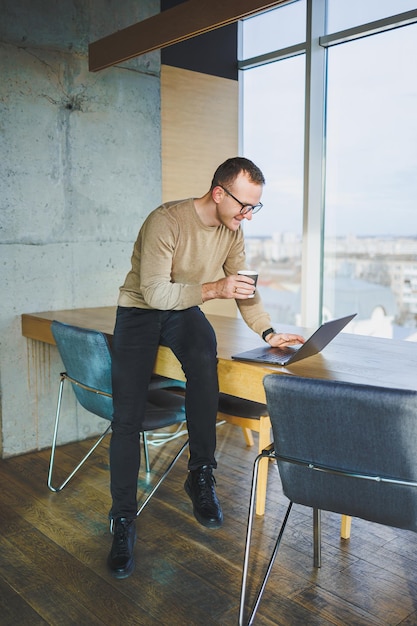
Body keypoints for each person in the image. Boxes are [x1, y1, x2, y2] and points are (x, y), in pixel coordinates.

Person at [107, 157, 305, 578]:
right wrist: (214, 288)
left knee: (204, 361)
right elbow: (156, 292)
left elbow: (244, 288)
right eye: (244, 206)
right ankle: (122, 519)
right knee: (127, 415)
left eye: (255, 207)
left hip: (186, 307)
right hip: (142, 308)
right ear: (218, 193)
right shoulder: (166, 221)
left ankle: (200, 475)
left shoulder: (233, 230)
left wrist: (269, 332)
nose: (248, 215)